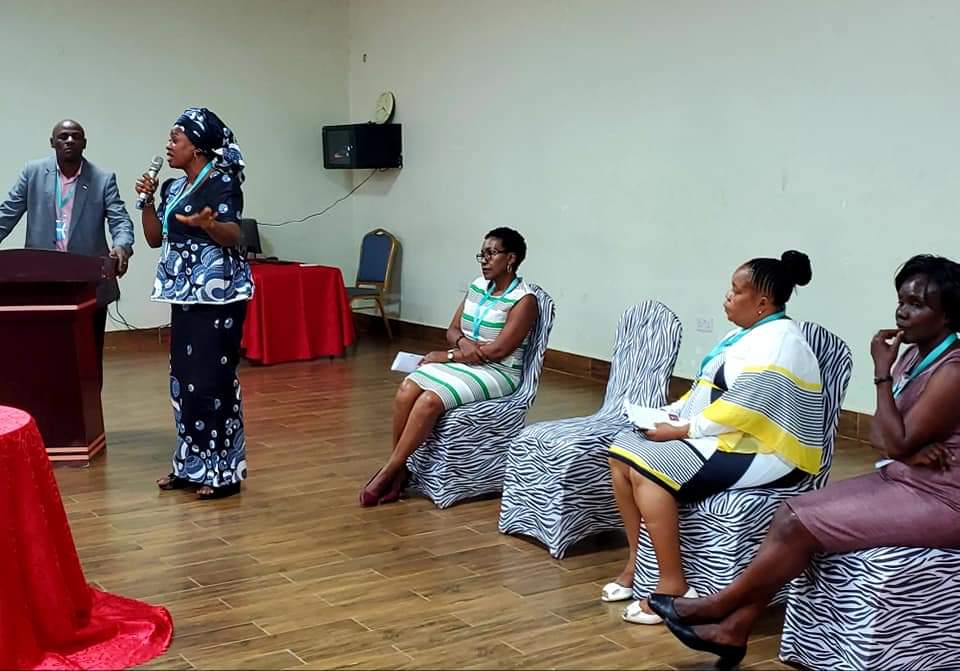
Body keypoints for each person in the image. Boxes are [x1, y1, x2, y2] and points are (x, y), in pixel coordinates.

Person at [649, 254, 960, 670]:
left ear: (948, 316)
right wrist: (904, 447)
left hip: (943, 497)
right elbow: (879, 437)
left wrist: (882, 377)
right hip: (905, 477)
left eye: (917, 304)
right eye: (901, 300)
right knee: (791, 513)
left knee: (798, 520)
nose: (903, 311)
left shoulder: (952, 368)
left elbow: (892, 437)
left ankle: (719, 607)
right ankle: (733, 629)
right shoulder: (914, 354)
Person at [601, 251, 824, 626]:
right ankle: (635, 567)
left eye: (736, 291)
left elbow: (745, 406)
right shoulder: (744, 334)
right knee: (621, 452)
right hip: (729, 436)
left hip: (768, 451)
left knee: (648, 470)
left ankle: (672, 585)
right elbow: (708, 388)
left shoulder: (780, 342)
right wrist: (671, 414)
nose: (727, 297)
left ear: (762, 303)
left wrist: (684, 430)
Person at [359, 227, 540, 506]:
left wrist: (448, 356)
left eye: (491, 253)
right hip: (467, 361)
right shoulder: (478, 286)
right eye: (482, 253)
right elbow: (453, 329)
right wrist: (463, 345)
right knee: (407, 388)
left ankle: (388, 472)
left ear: (511, 258)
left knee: (430, 400)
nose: (484, 259)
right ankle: (399, 470)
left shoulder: (524, 300)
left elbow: (499, 350)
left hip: (499, 372)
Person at [134, 107, 252, 500]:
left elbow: (233, 234)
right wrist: (147, 202)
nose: (168, 146)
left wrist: (209, 224)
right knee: (184, 382)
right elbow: (154, 240)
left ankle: (223, 473)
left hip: (219, 297)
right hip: (183, 295)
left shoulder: (222, 184)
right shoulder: (170, 188)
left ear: (197, 147)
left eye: (175, 139)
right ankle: (190, 465)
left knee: (211, 383)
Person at [0, 119, 135, 388]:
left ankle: (90, 421)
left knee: (88, 357)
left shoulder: (102, 178)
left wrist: (122, 247)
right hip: (41, 282)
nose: (70, 141)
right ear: (53, 143)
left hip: (88, 285)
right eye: (63, 137)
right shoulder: (33, 173)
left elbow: (120, 220)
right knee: (42, 356)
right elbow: (7, 214)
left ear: (84, 143)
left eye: (76, 136)